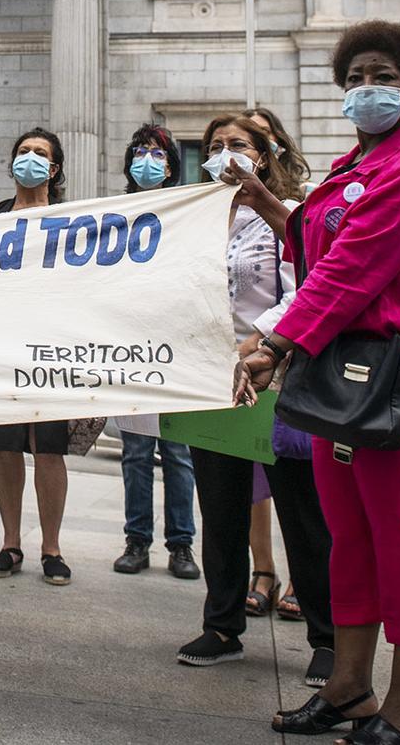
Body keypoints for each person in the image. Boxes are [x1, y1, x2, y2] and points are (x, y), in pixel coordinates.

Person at [231, 20, 400, 745]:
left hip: (395, 379)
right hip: (339, 375)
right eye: (356, 77)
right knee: (350, 537)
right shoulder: (353, 164)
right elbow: (315, 243)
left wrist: (276, 343)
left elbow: (349, 270)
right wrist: (263, 201)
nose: (367, 88)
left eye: (382, 76)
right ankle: (350, 688)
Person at [178, 113, 305, 670]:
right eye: (214, 145)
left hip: (275, 373)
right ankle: (221, 625)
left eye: (237, 144)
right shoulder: (197, 220)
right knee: (221, 506)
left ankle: (326, 639)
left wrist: (260, 339)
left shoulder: (288, 213)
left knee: (300, 509)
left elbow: (305, 288)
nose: (223, 153)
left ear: (264, 153)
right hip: (212, 377)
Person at [0, 127, 74, 587]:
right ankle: (10, 542)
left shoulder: (72, 219)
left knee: (48, 447)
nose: (29, 158)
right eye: (23, 151)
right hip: (3, 343)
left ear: (53, 169)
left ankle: (51, 547)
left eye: (39, 153)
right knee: (5, 445)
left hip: (51, 346)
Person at [110, 122, 200, 581]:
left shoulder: (187, 213)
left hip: (176, 350)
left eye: (158, 153)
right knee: (136, 453)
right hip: (132, 350)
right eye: (140, 152)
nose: (148, 160)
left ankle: (181, 544)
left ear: (171, 167)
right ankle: (137, 540)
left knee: (179, 454)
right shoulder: (114, 215)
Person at [243, 105, 305, 620]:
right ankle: (262, 570)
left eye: (249, 141)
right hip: (240, 360)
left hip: (284, 357)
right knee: (249, 477)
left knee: (294, 474)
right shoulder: (222, 212)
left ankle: (305, 577)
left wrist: (263, 340)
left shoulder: (299, 206)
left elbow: (304, 285)